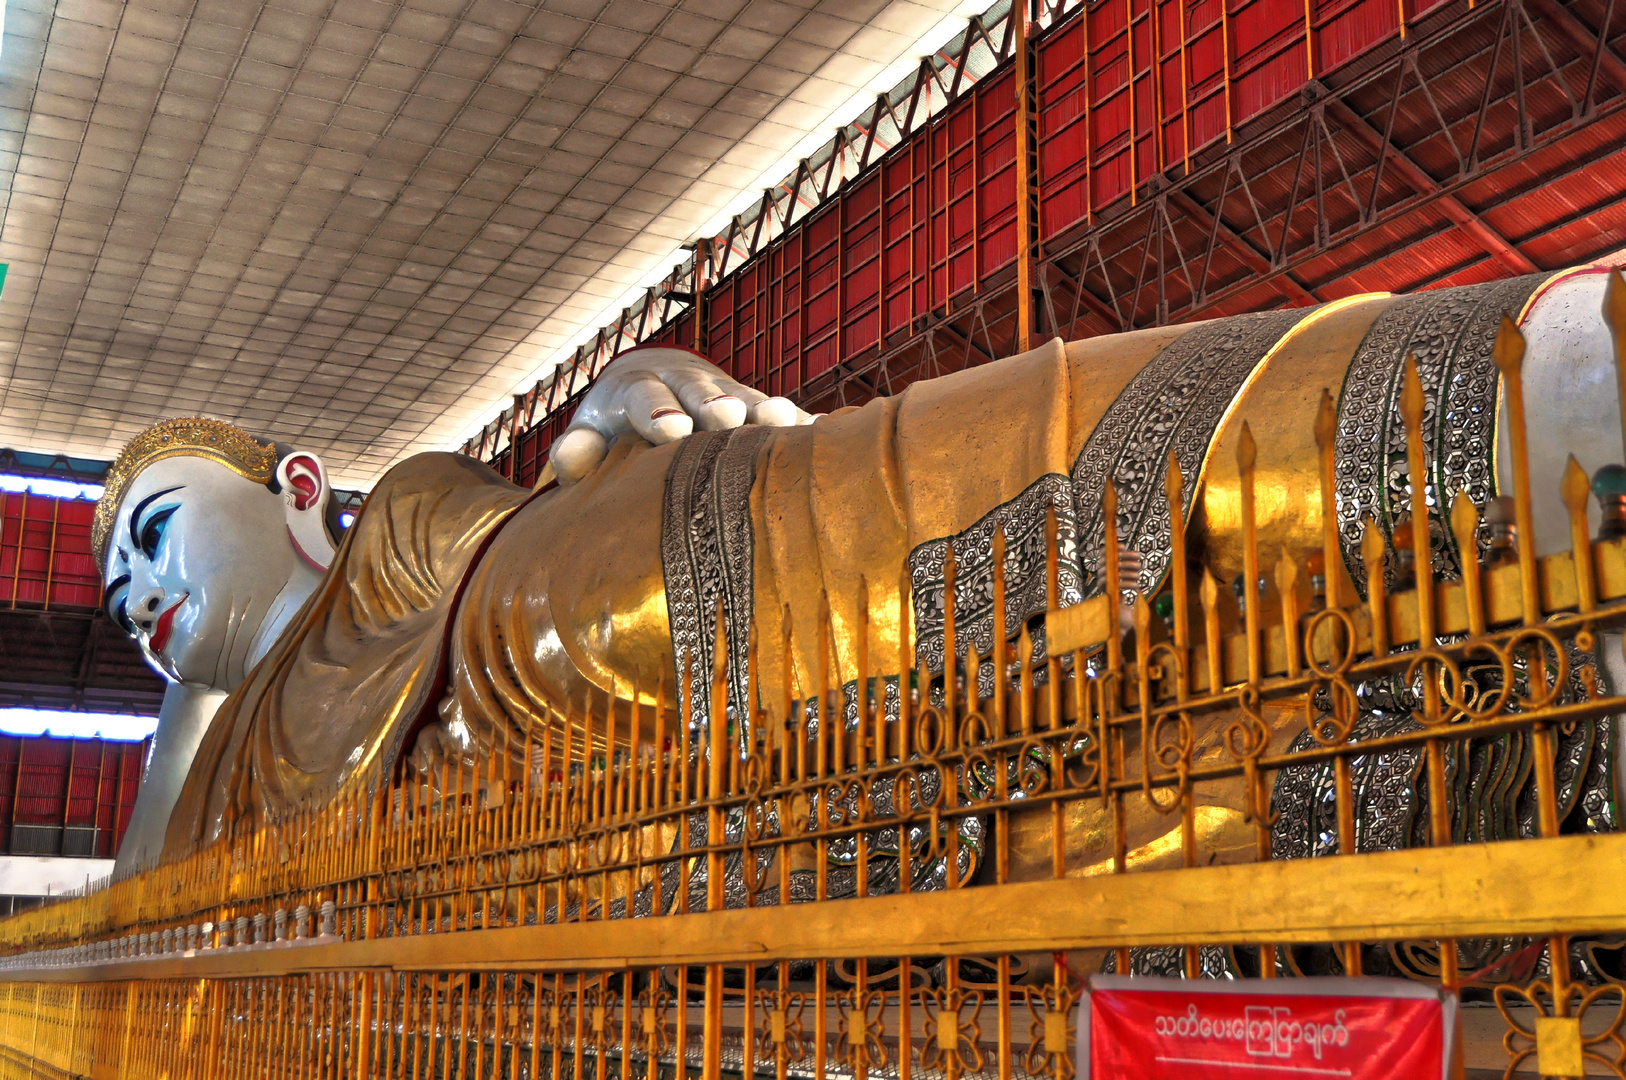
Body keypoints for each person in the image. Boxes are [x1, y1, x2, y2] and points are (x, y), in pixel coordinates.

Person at [99, 265, 1624, 877]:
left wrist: (617, 403)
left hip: (629, 595)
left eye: (155, 536)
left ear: (297, 489)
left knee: (996, 485)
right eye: (114, 603)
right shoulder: (214, 762)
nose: (139, 599)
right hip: (606, 819)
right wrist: (188, 714)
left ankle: (1517, 400)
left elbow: (540, 499)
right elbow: (155, 905)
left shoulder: (398, 528)